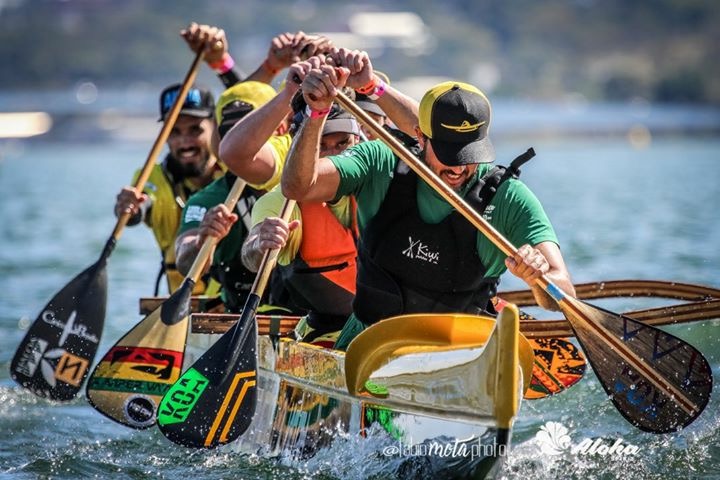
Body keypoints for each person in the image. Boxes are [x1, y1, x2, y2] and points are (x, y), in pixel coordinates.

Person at [280, 52, 575, 350]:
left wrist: (539, 278)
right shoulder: (380, 163)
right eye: (449, 155)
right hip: (369, 347)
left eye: (469, 155)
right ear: (420, 137)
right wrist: (316, 113)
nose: (459, 168)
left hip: (459, 353)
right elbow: (299, 187)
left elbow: (564, 293)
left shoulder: (509, 198)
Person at [114, 24, 332, 295]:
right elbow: (172, 241)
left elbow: (247, 101)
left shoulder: (293, 152)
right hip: (200, 295)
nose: (185, 141)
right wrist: (133, 211)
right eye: (175, 132)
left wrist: (323, 59)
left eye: (194, 130)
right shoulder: (189, 191)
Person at [240, 100, 362, 346]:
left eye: (342, 144)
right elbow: (251, 258)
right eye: (321, 146)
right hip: (327, 332)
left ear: (358, 142)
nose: (334, 157)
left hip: (387, 327)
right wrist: (260, 244)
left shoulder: (379, 180)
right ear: (299, 149)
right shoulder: (281, 202)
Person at [174, 80, 281, 312]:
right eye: (230, 133)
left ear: (279, 130)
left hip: (305, 316)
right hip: (239, 310)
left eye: (248, 131)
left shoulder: (307, 184)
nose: (242, 145)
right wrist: (202, 241)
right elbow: (184, 261)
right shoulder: (207, 200)